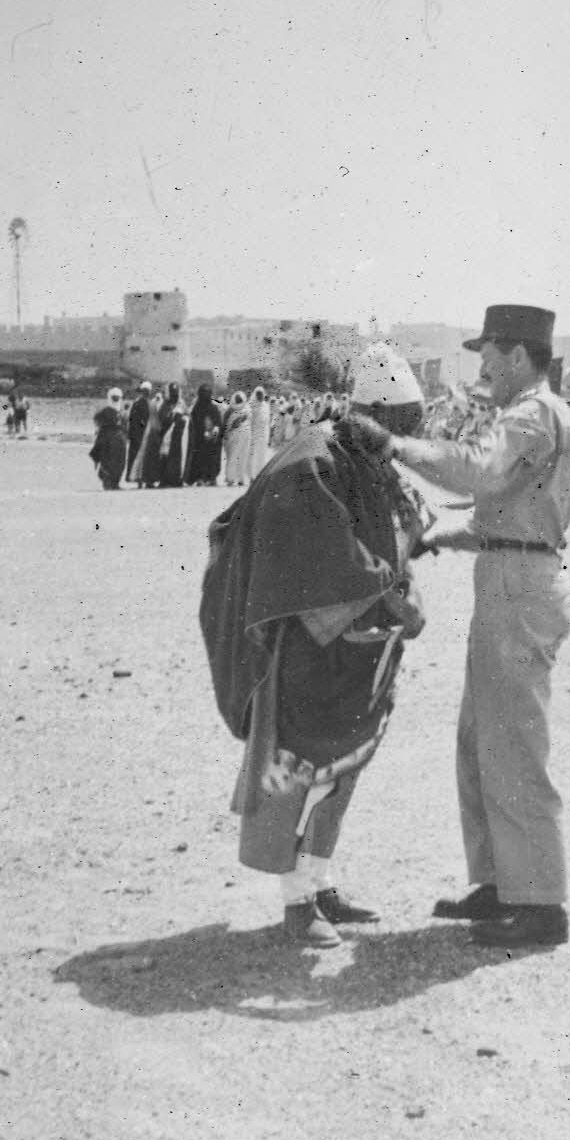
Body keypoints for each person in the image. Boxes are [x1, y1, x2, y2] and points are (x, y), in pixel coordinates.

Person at [347, 305, 570, 949]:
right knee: (481, 738)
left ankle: (540, 905)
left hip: (520, 586)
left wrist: (394, 446)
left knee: (512, 745)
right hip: (511, 576)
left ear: (516, 355)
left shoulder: (531, 414)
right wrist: (437, 536)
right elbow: (498, 516)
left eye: (488, 354)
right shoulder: (535, 413)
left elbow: (476, 469)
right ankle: (501, 884)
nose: (481, 367)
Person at [200, 344, 432, 948]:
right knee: (296, 769)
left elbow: (394, 527)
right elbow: (315, 554)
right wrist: (390, 595)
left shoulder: (362, 453)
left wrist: (404, 584)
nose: (403, 440)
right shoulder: (311, 461)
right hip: (308, 651)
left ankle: (321, 879)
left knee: (343, 769)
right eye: (399, 425)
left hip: (358, 650)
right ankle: (295, 901)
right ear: (370, 412)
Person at [185, 383, 224, 485]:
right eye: (204, 393)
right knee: (199, 458)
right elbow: (193, 423)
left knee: (212, 458)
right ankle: (199, 478)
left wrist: (215, 431)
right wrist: (202, 433)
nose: (206, 395)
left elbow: (218, 422)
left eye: (208, 393)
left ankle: (211, 478)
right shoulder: (196, 408)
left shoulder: (214, 408)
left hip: (212, 440)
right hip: (200, 440)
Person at [89, 388, 128, 490]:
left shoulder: (120, 411)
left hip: (117, 440)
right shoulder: (107, 411)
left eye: (117, 397)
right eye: (114, 397)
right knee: (108, 462)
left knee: (119, 462)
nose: (116, 399)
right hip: (110, 440)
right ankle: (108, 483)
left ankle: (114, 483)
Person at [159, 385, 190, 488]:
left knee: (177, 458)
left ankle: (176, 479)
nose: (174, 395)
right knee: (164, 457)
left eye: (176, 393)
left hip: (178, 437)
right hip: (166, 435)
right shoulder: (165, 404)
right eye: (173, 393)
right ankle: (164, 480)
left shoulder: (181, 404)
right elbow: (162, 418)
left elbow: (187, 416)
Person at [223, 391, 251, 486]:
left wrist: (225, 435)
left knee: (232, 456)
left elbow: (226, 424)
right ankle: (241, 479)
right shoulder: (248, 409)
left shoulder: (230, 410)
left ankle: (230, 478)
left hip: (234, 435)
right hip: (246, 434)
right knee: (243, 456)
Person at [126, 382, 152, 482]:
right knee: (136, 456)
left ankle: (134, 476)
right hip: (140, 434)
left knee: (137, 456)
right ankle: (134, 476)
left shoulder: (142, 403)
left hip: (140, 434)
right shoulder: (140, 403)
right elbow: (133, 420)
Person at [248, 385, 271, 480]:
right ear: (255, 395)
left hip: (264, 434)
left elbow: (267, 421)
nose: (260, 396)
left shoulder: (266, 405)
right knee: (254, 455)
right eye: (258, 394)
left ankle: (260, 475)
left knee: (262, 455)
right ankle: (252, 476)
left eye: (261, 394)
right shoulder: (251, 406)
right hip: (254, 434)